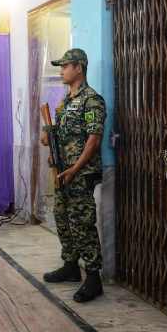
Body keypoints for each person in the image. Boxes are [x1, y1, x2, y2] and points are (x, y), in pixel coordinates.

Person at [41, 48, 106, 303]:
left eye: (65, 66)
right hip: (62, 171)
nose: (61, 70)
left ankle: (93, 277)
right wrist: (49, 141)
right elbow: (61, 135)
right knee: (62, 218)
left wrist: (75, 168)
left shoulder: (92, 100)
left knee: (82, 223)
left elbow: (94, 139)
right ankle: (70, 266)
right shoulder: (65, 102)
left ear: (79, 68)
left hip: (80, 173)